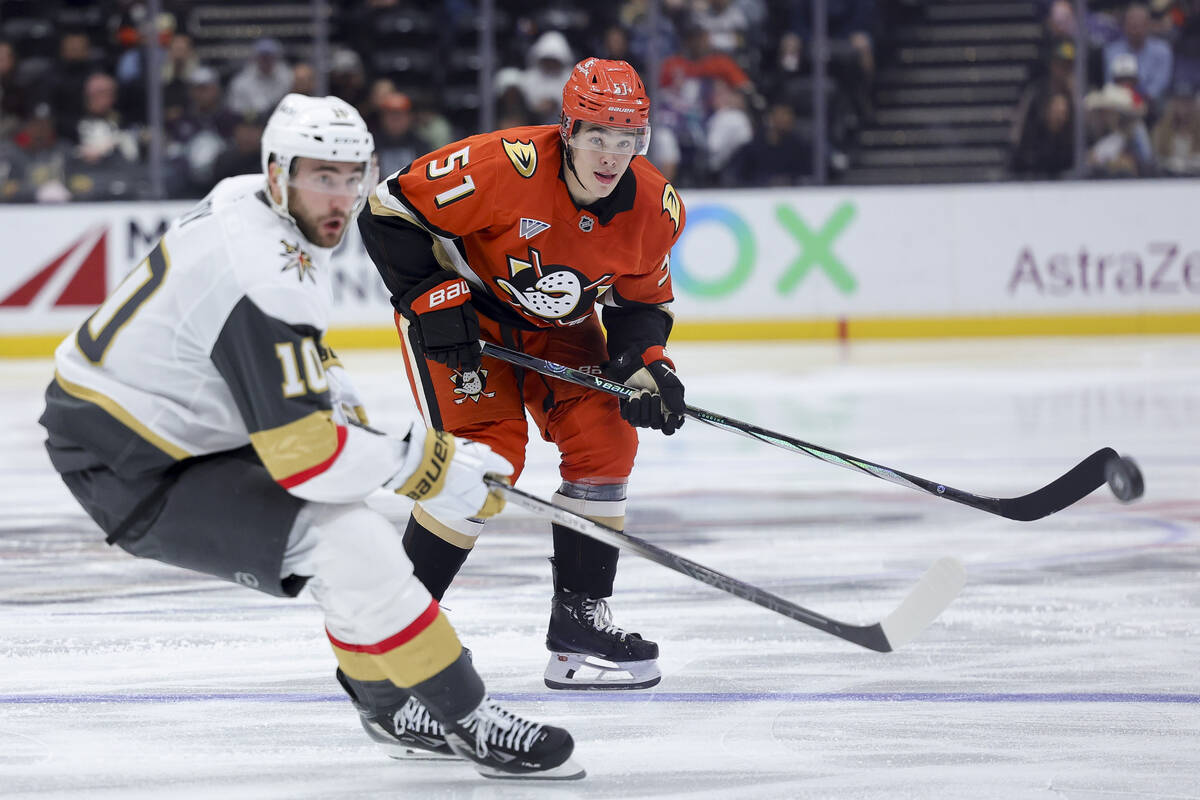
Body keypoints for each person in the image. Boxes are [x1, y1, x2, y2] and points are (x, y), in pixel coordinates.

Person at [37, 93, 583, 781]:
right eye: (322, 176)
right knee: (345, 539)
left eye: (354, 176)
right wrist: (430, 463)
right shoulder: (263, 271)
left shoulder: (251, 205)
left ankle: (387, 704)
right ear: (278, 172)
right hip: (133, 459)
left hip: (164, 423)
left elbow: (288, 356)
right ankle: (468, 720)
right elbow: (306, 456)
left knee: (355, 537)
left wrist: (338, 399)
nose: (342, 196)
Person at [358, 58, 686, 701]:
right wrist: (430, 297)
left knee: (608, 441)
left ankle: (578, 628)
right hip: (466, 320)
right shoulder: (502, 167)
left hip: (559, 331)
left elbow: (640, 305)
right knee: (484, 458)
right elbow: (386, 212)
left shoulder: (655, 206)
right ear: (567, 129)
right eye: (598, 134)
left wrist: (649, 367)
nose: (612, 153)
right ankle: (400, 634)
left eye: (628, 137)